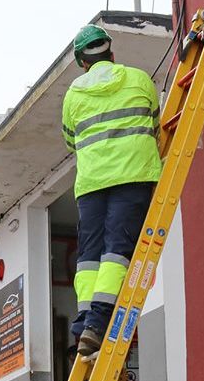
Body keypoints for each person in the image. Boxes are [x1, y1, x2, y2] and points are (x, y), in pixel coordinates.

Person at [62, 24, 162, 357]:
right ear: (112, 53)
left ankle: (83, 324)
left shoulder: (73, 95)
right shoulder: (138, 80)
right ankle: (97, 323)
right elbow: (155, 121)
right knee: (117, 251)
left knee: (89, 257)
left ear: (81, 62)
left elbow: (70, 139)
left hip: (91, 184)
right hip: (132, 177)